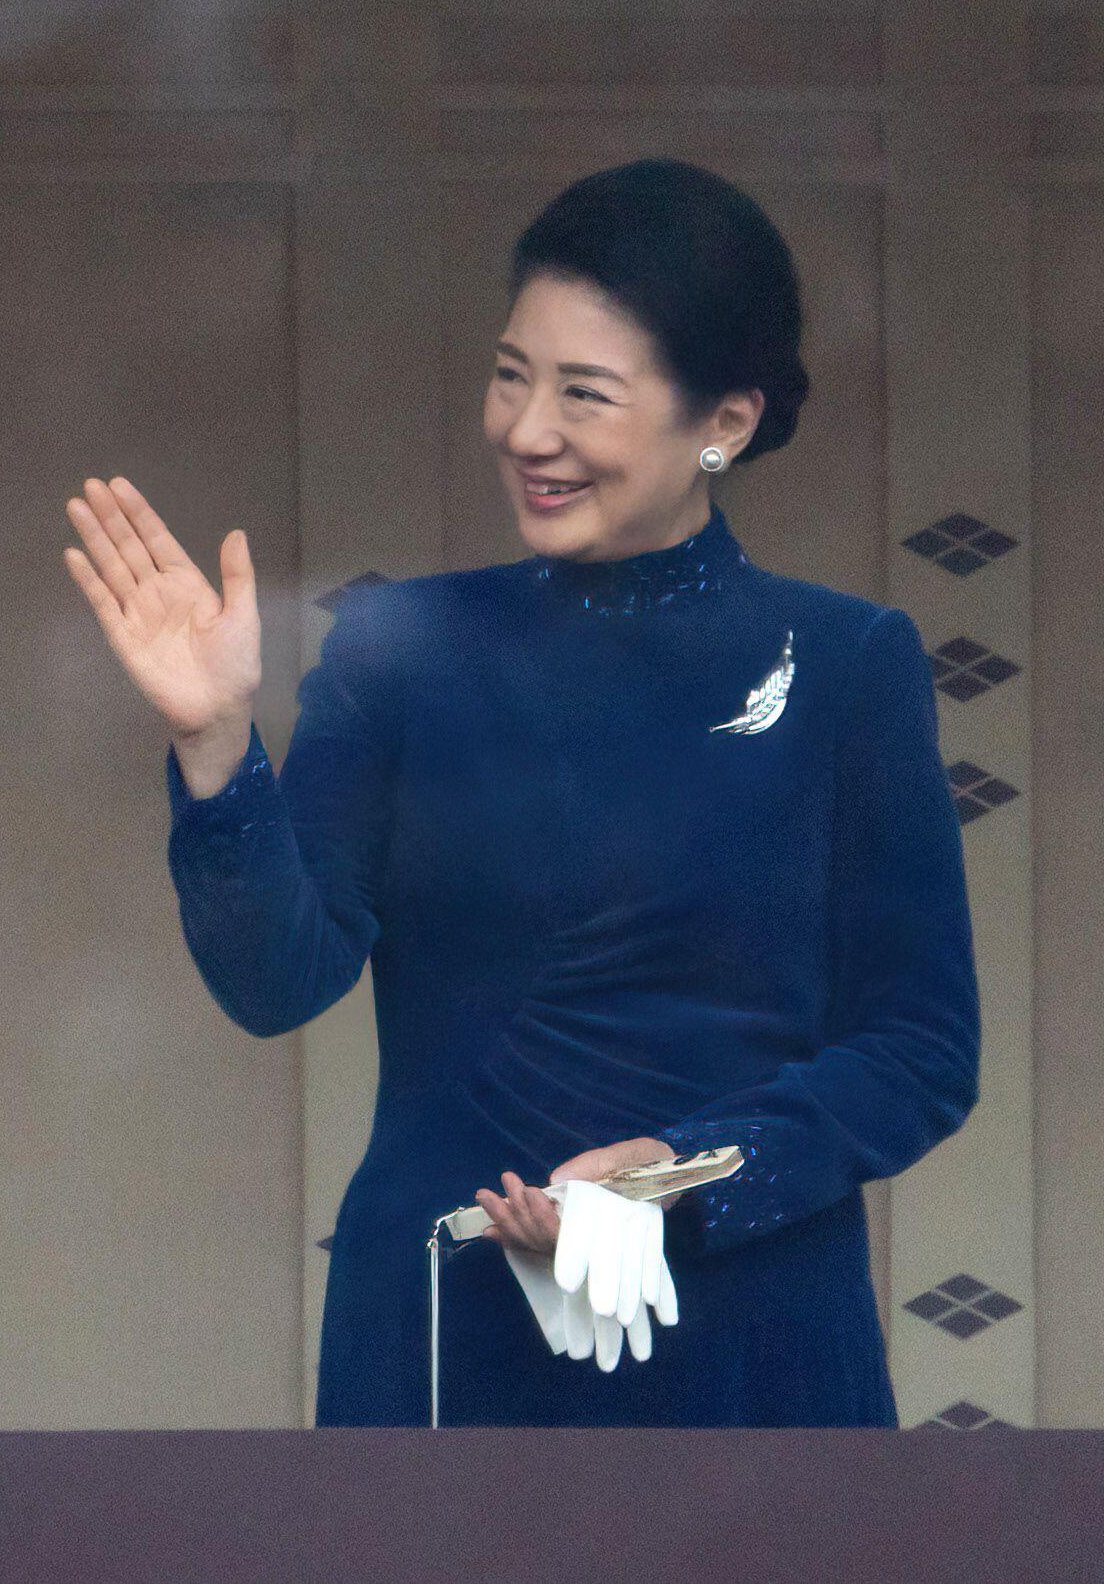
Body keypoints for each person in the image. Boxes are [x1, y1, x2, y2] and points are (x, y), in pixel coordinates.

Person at [62, 157, 980, 1428]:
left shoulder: (844, 664)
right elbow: (277, 983)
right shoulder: (400, 649)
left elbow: (921, 1052)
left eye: (584, 394)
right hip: (449, 1328)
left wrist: (682, 1175)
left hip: (750, 1340)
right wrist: (218, 747)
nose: (526, 430)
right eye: (511, 374)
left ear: (723, 418)